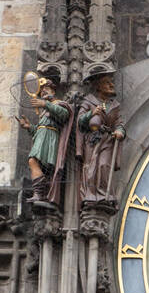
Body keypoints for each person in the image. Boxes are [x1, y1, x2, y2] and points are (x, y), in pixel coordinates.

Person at [18, 74, 73, 205]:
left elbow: (64, 115)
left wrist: (45, 103)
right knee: (38, 164)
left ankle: (39, 193)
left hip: (50, 139)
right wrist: (29, 127)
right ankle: (41, 194)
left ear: (53, 91)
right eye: (41, 90)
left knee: (33, 161)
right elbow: (40, 129)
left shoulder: (59, 104)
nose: (43, 91)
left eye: (46, 88)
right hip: (42, 138)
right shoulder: (44, 111)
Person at [76, 69, 125, 206]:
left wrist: (120, 131)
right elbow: (80, 121)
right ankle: (90, 194)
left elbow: (119, 123)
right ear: (98, 86)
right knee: (91, 167)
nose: (111, 85)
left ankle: (104, 194)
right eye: (107, 83)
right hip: (92, 140)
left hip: (108, 140)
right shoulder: (89, 101)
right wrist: (91, 113)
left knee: (104, 165)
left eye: (111, 82)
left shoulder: (114, 106)